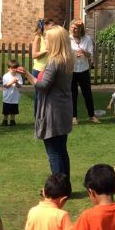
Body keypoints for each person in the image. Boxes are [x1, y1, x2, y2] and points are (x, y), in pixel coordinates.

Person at [34, 25, 75, 180]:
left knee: (54, 152)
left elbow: (43, 86)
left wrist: (29, 76)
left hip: (52, 110)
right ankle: (65, 186)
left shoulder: (54, 62)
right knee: (61, 149)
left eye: (47, 40)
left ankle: (58, 189)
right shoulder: (68, 59)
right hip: (64, 108)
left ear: (55, 42)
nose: (45, 42)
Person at [69, 19, 97, 124]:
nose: (73, 30)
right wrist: (73, 55)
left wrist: (84, 52)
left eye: (76, 28)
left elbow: (90, 55)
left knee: (87, 94)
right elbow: (64, 53)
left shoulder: (87, 39)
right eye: (72, 27)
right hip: (72, 70)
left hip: (84, 70)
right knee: (73, 94)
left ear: (81, 29)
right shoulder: (67, 39)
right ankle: (73, 117)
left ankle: (92, 116)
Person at [1, 61, 28, 126]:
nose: (14, 70)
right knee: (6, 110)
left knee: (13, 109)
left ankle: (12, 120)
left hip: (15, 96)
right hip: (7, 96)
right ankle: (5, 120)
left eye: (15, 68)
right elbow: (5, 86)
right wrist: (12, 82)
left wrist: (17, 83)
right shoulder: (6, 76)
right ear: (9, 68)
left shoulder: (18, 76)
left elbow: (20, 86)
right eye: (12, 68)